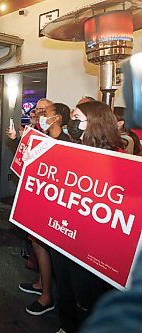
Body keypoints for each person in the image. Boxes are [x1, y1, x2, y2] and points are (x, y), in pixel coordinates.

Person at [51, 101, 122, 333]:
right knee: (64, 285)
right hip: (64, 234)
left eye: (78, 118)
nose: (72, 122)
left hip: (93, 242)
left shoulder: (119, 158)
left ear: (95, 124)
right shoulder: (71, 149)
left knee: (87, 293)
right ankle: (67, 325)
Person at [19, 103, 71, 317]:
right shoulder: (46, 139)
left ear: (57, 118)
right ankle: (41, 283)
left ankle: (46, 296)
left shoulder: (65, 143)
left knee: (42, 246)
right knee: (36, 244)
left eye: (46, 113)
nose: (41, 116)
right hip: (40, 200)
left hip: (53, 205)